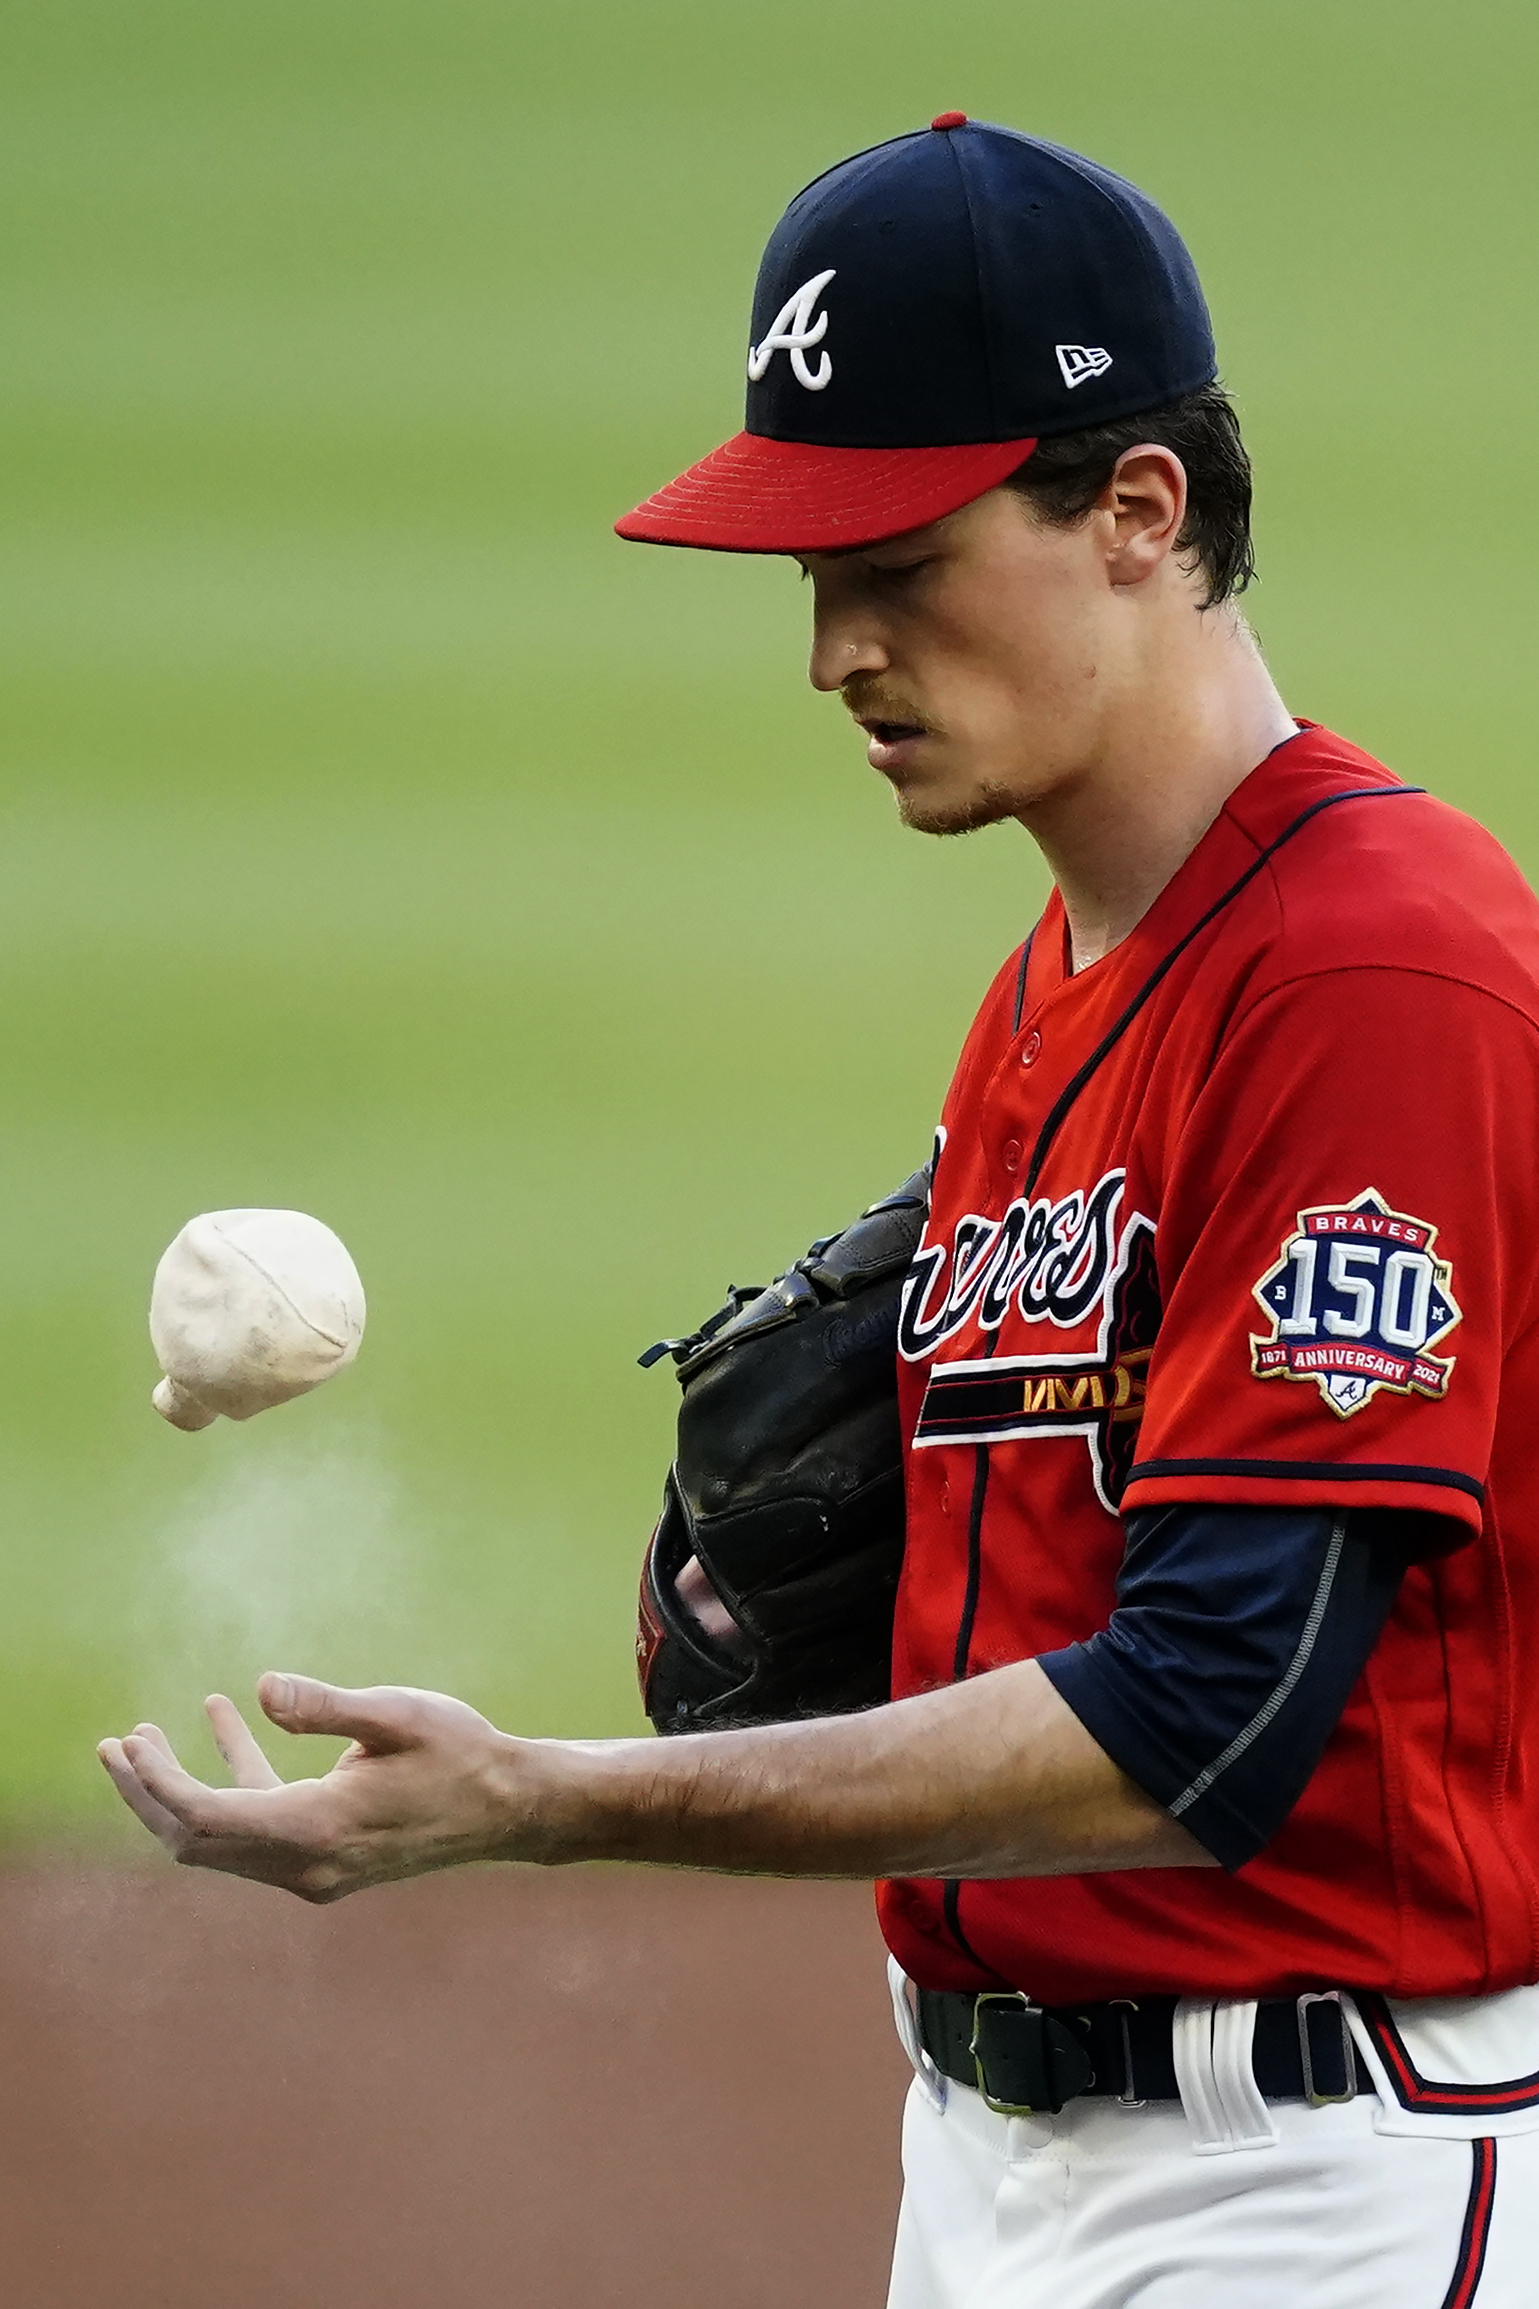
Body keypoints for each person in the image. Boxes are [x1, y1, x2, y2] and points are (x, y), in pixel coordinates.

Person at [101, 117, 1539, 2306]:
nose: (830, 650)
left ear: (1136, 512)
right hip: (995, 2164)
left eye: (899, 560)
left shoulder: (1369, 971)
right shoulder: (1045, 989)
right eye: (808, 572)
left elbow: (1208, 1724)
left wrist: (545, 1797)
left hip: (1311, 2183)